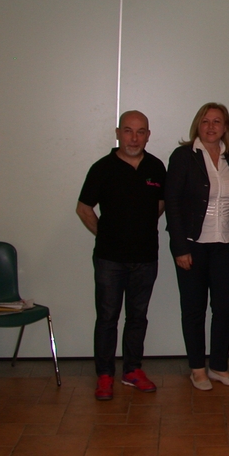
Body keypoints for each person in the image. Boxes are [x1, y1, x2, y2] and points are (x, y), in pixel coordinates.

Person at [76, 110, 166, 401]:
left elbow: (161, 203)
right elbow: (84, 208)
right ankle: (104, 375)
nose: (134, 137)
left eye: (141, 132)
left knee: (138, 317)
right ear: (118, 133)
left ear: (148, 135)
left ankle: (132, 370)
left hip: (145, 258)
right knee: (107, 318)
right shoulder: (102, 168)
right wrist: (105, 234)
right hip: (109, 259)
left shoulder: (156, 167)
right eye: (128, 131)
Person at [165, 103, 229, 391]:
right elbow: (171, 202)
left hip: (225, 244)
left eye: (217, 122)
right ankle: (197, 368)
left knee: (226, 306)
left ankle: (218, 366)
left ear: (225, 127)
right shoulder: (184, 156)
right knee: (194, 309)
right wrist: (179, 247)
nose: (211, 127)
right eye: (206, 121)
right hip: (193, 246)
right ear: (198, 125)